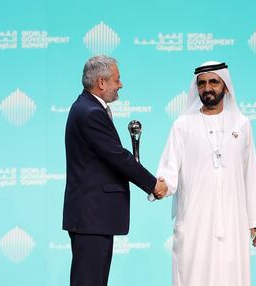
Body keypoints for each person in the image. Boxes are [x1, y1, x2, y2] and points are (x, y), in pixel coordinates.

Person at [156, 61, 256, 286]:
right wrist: (161, 186)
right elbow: (169, 170)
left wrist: (255, 217)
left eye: (214, 82)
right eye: (202, 83)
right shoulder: (182, 125)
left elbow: (250, 172)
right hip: (194, 221)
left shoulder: (242, 124)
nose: (207, 88)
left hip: (233, 220)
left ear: (225, 86)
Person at [62, 55, 167, 286]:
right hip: (92, 216)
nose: (121, 85)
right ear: (101, 82)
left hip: (92, 217)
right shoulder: (90, 112)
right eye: (117, 80)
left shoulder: (86, 107)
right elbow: (117, 157)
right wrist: (152, 184)